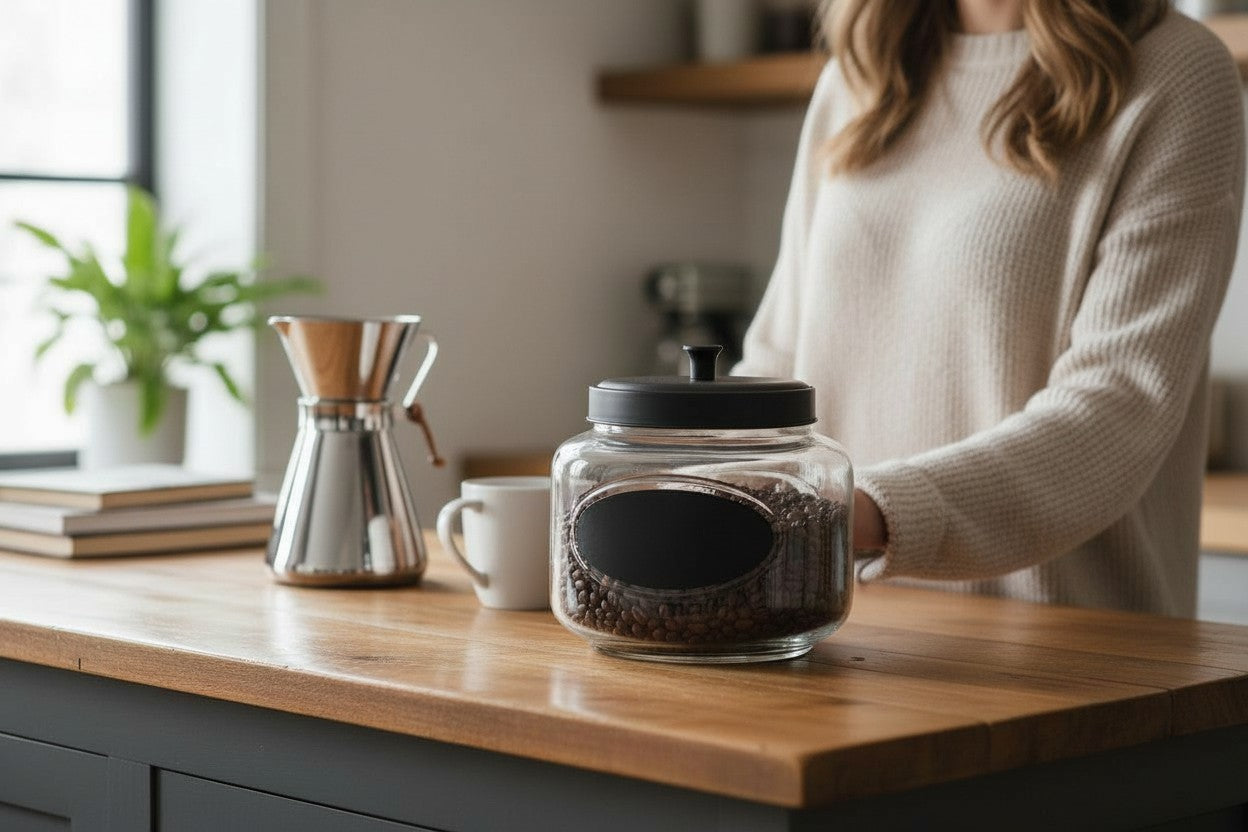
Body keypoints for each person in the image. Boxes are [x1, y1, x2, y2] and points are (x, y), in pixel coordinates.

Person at [734, 0, 1244, 616]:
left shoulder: (1176, 71)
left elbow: (1118, 406)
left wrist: (859, 512)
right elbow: (779, 359)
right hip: (841, 632)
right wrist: (689, 478)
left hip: (1071, 656)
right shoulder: (857, 75)